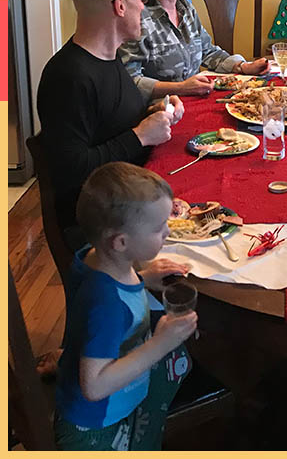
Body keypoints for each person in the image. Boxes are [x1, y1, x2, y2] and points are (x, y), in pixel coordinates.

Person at [37, 0, 185, 250]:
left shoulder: (109, 56)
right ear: (120, 5)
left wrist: (157, 111)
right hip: (103, 230)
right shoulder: (67, 77)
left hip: (133, 195)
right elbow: (71, 171)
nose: (144, 6)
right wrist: (141, 135)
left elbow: (113, 120)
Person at [54, 162, 197, 450]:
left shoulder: (97, 260)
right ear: (121, 242)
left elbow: (96, 314)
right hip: (96, 429)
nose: (167, 232)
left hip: (100, 405)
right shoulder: (106, 302)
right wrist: (160, 343)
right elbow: (94, 386)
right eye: (159, 228)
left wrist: (143, 279)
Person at [118, 0, 271, 103]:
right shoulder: (137, 18)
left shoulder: (186, 10)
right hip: (159, 111)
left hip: (193, 100)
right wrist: (181, 88)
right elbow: (130, 81)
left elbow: (208, 51)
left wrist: (243, 66)